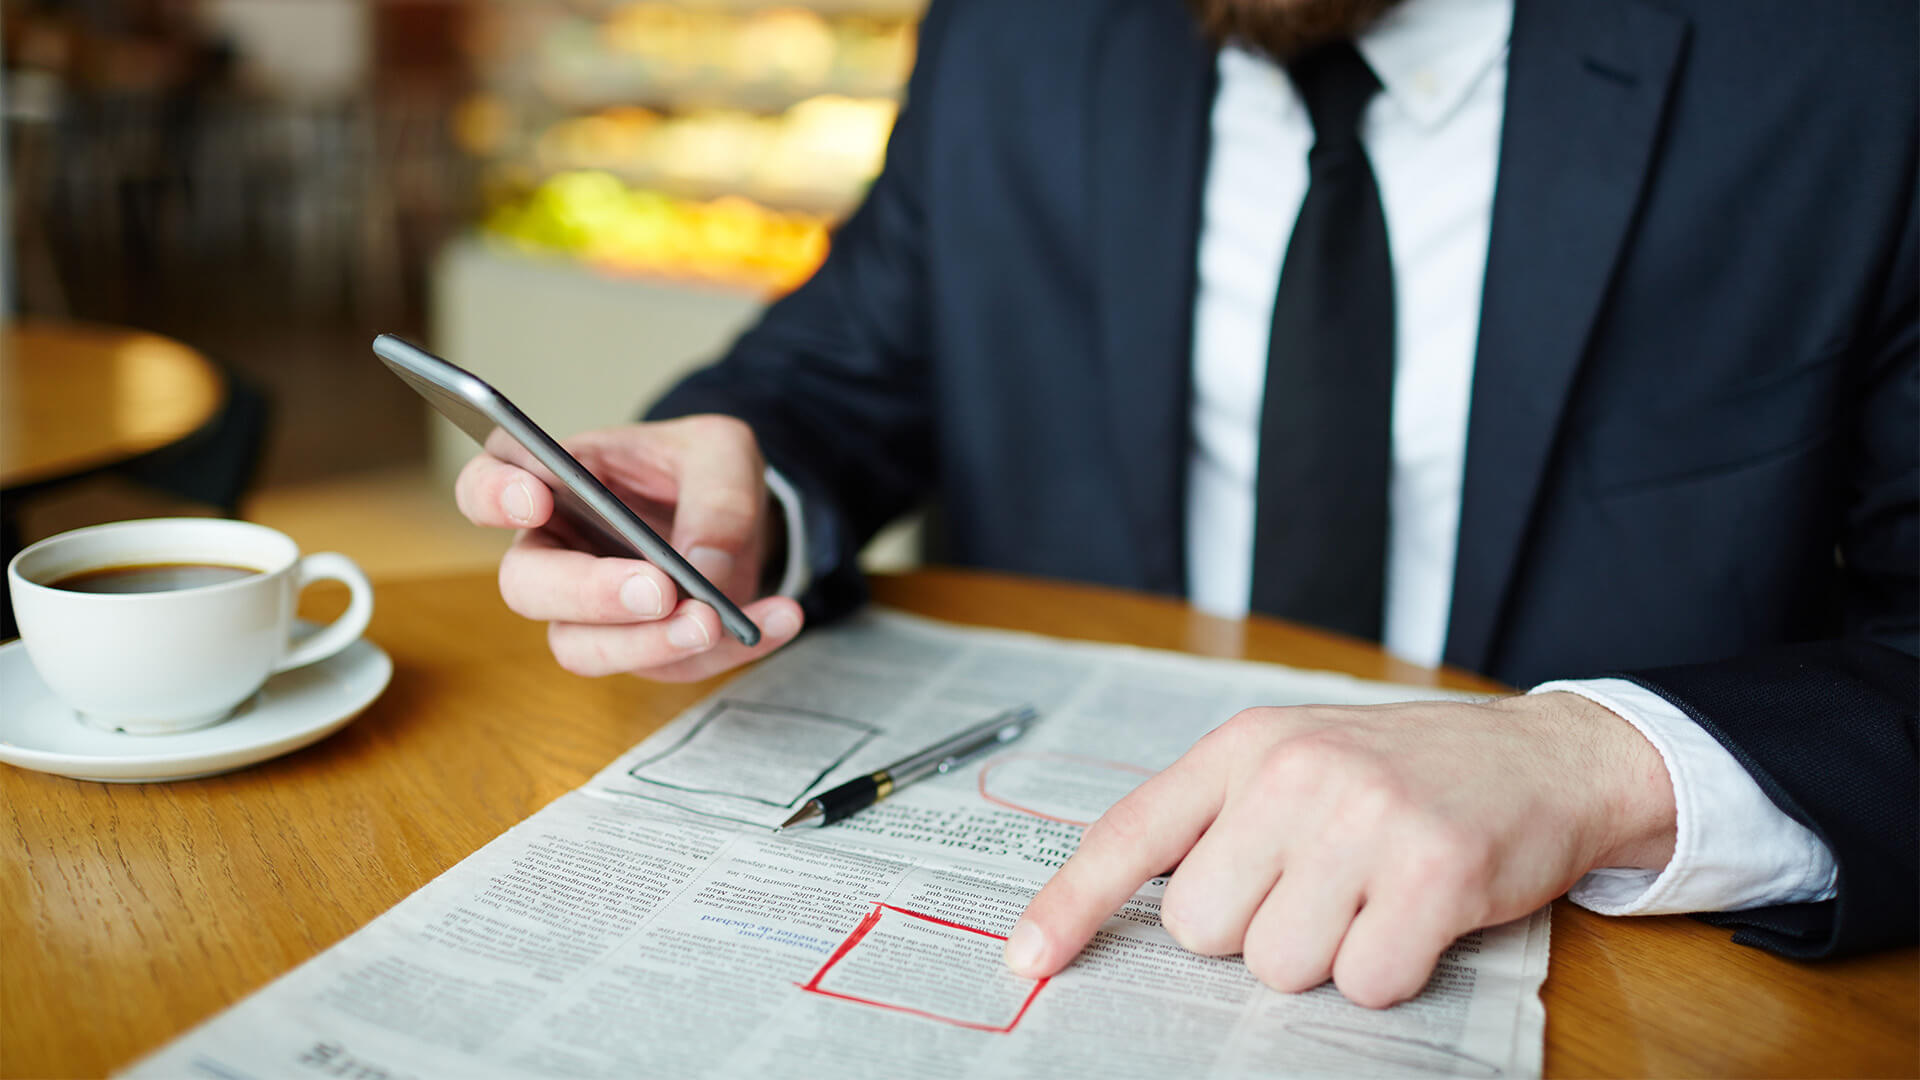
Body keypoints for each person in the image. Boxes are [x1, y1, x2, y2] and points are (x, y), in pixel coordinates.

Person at [454, 0, 1917, 1009]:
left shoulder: (1848, 64)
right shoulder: (1021, 29)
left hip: (1617, 989)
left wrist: (1593, 766)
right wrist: (743, 494)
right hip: (1058, 928)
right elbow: (853, 358)